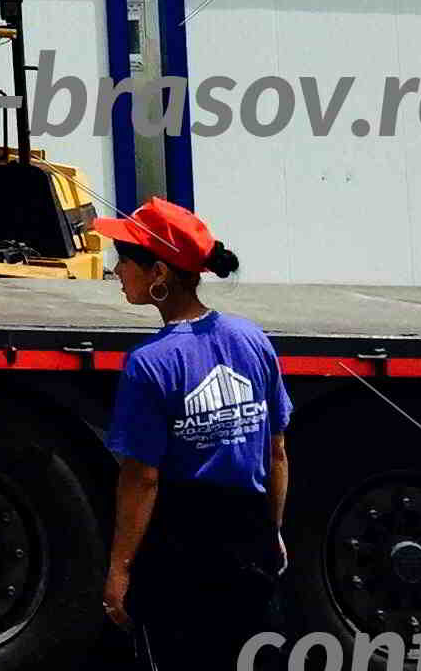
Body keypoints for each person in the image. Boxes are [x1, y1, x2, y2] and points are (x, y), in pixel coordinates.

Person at [90, 197, 289, 671]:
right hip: (250, 538)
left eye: (125, 260)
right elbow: (276, 452)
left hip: (182, 549)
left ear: (158, 273)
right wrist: (272, 531)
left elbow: (142, 479)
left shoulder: (149, 364)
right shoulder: (252, 340)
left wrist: (119, 569)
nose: (117, 271)